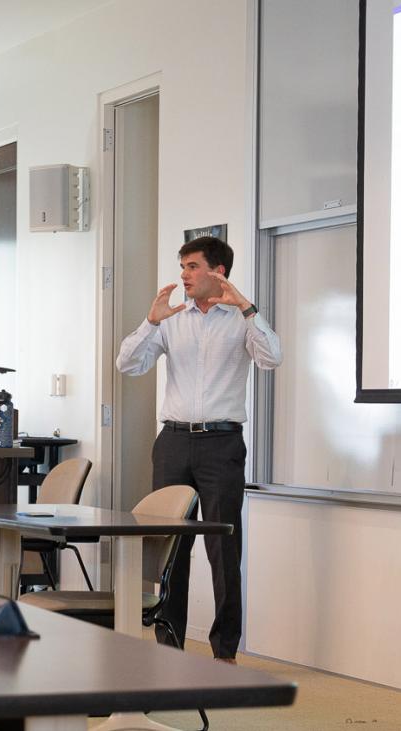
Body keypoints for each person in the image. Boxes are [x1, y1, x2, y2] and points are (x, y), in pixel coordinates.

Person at [116, 236, 282, 662]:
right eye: (183, 267)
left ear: (217, 271)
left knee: (223, 548)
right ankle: (168, 647)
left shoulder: (241, 319)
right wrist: (150, 323)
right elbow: (128, 365)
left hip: (222, 443)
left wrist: (246, 309)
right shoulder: (171, 319)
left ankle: (224, 652)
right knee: (171, 546)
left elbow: (271, 357)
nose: (184, 275)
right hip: (173, 442)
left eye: (192, 267)